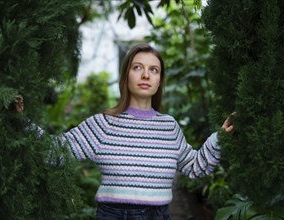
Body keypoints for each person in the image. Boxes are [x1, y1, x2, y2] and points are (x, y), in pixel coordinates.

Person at [14, 43, 234, 220]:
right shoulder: (103, 124)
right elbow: (55, 152)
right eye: (137, 67)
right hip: (114, 214)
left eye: (153, 70)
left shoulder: (169, 126)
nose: (146, 75)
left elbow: (196, 166)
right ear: (126, 75)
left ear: (159, 81)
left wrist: (220, 137)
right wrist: (22, 121)